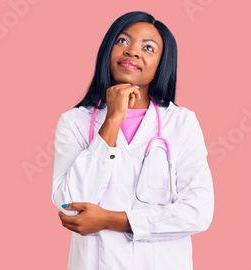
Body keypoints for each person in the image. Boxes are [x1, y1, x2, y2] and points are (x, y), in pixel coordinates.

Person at [51, 11, 214, 269]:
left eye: (148, 47)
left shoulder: (181, 123)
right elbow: (70, 205)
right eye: (123, 41)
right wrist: (113, 119)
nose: (132, 52)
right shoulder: (74, 122)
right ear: (108, 52)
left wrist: (111, 220)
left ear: (161, 65)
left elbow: (197, 213)